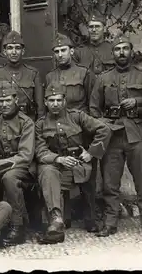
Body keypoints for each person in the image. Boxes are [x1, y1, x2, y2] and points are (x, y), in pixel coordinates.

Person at [89, 34, 142, 237]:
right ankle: (110, 222)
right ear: (113, 53)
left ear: (131, 51)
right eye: (117, 49)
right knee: (110, 182)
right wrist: (105, 126)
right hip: (112, 136)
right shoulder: (103, 78)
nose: (121, 52)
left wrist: (138, 102)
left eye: (125, 48)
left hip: (137, 134)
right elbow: (94, 108)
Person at [34, 82, 112, 244]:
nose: (55, 104)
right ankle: (56, 220)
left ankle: (85, 218)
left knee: (91, 223)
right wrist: (58, 159)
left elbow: (104, 129)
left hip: (79, 165)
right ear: (46, 103)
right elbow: (40, 151)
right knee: (47, 172)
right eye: (51, 100)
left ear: (64, 101)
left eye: (58, 100)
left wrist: (91, 153)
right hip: (57, 167)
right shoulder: (40, 124)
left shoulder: (77, 116)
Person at [0, 81, 35, 246]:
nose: (4, 104)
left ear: (16, 100)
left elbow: (26, 155)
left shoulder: (26, 122)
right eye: (1, 101)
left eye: (8, 100)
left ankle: (18, 226)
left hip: (23, 167)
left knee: (9, 178)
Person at [0, 31, 44, 121]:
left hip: (26, 121)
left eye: (17, 48)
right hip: (2, 122)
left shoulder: (33, 73)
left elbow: (40, 107)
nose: (14, 52)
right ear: (4, 52)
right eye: (10, 48)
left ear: (23, 51)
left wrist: (38, 125)